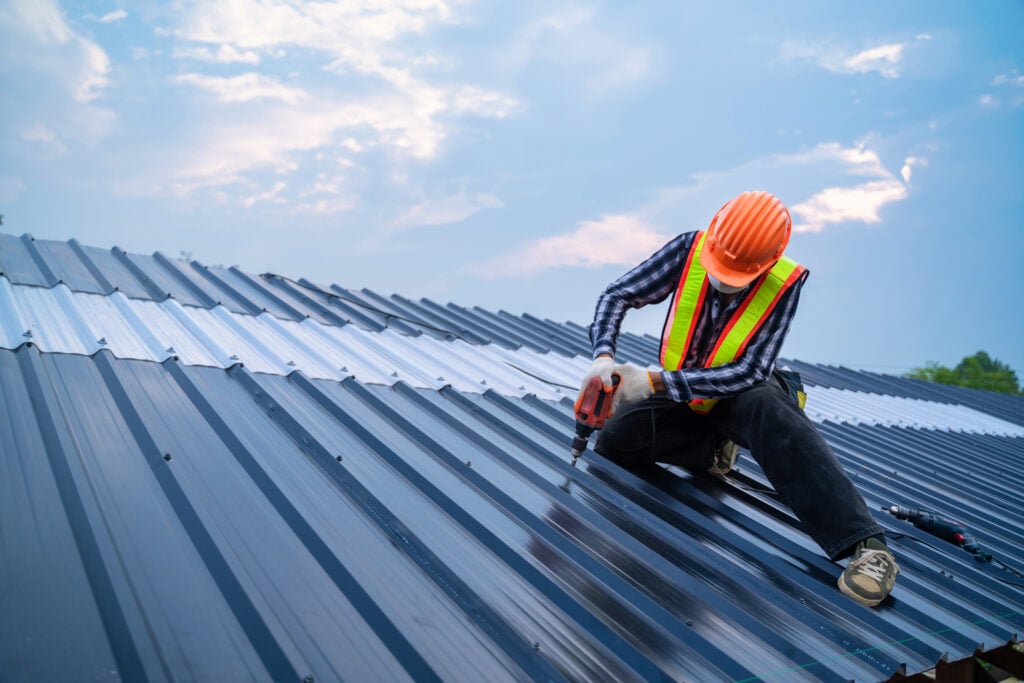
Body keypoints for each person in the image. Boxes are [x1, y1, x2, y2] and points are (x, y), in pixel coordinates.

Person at [577, 190, 898, 607]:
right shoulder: (688, 249)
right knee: (618, 438)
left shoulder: (784, 284)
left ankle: (868, 547)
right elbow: (617, 295)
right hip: (685, 390)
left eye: (737, 275)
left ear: (765, 264)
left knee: (768, 410)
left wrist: (653, 385)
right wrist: (603, 356)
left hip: (740, 392)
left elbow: (749, 370)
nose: (723, 280)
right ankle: (713, 450)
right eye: (720, 268)